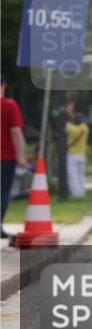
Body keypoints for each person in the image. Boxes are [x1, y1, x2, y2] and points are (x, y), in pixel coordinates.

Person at [1, 77, 28, 239]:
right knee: (3, 192)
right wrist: (21, 156)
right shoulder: (10, 105)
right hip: (5, 157)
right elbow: (16, 132)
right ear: (3, 86)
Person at [65, 112, 89, 198]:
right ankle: (82, 193)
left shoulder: (70, 128)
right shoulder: (85, 128)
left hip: (72, 155)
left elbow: (67, 124)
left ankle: (76, 195)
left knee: (72, 176)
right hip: (82, 155)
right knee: (81, 176)